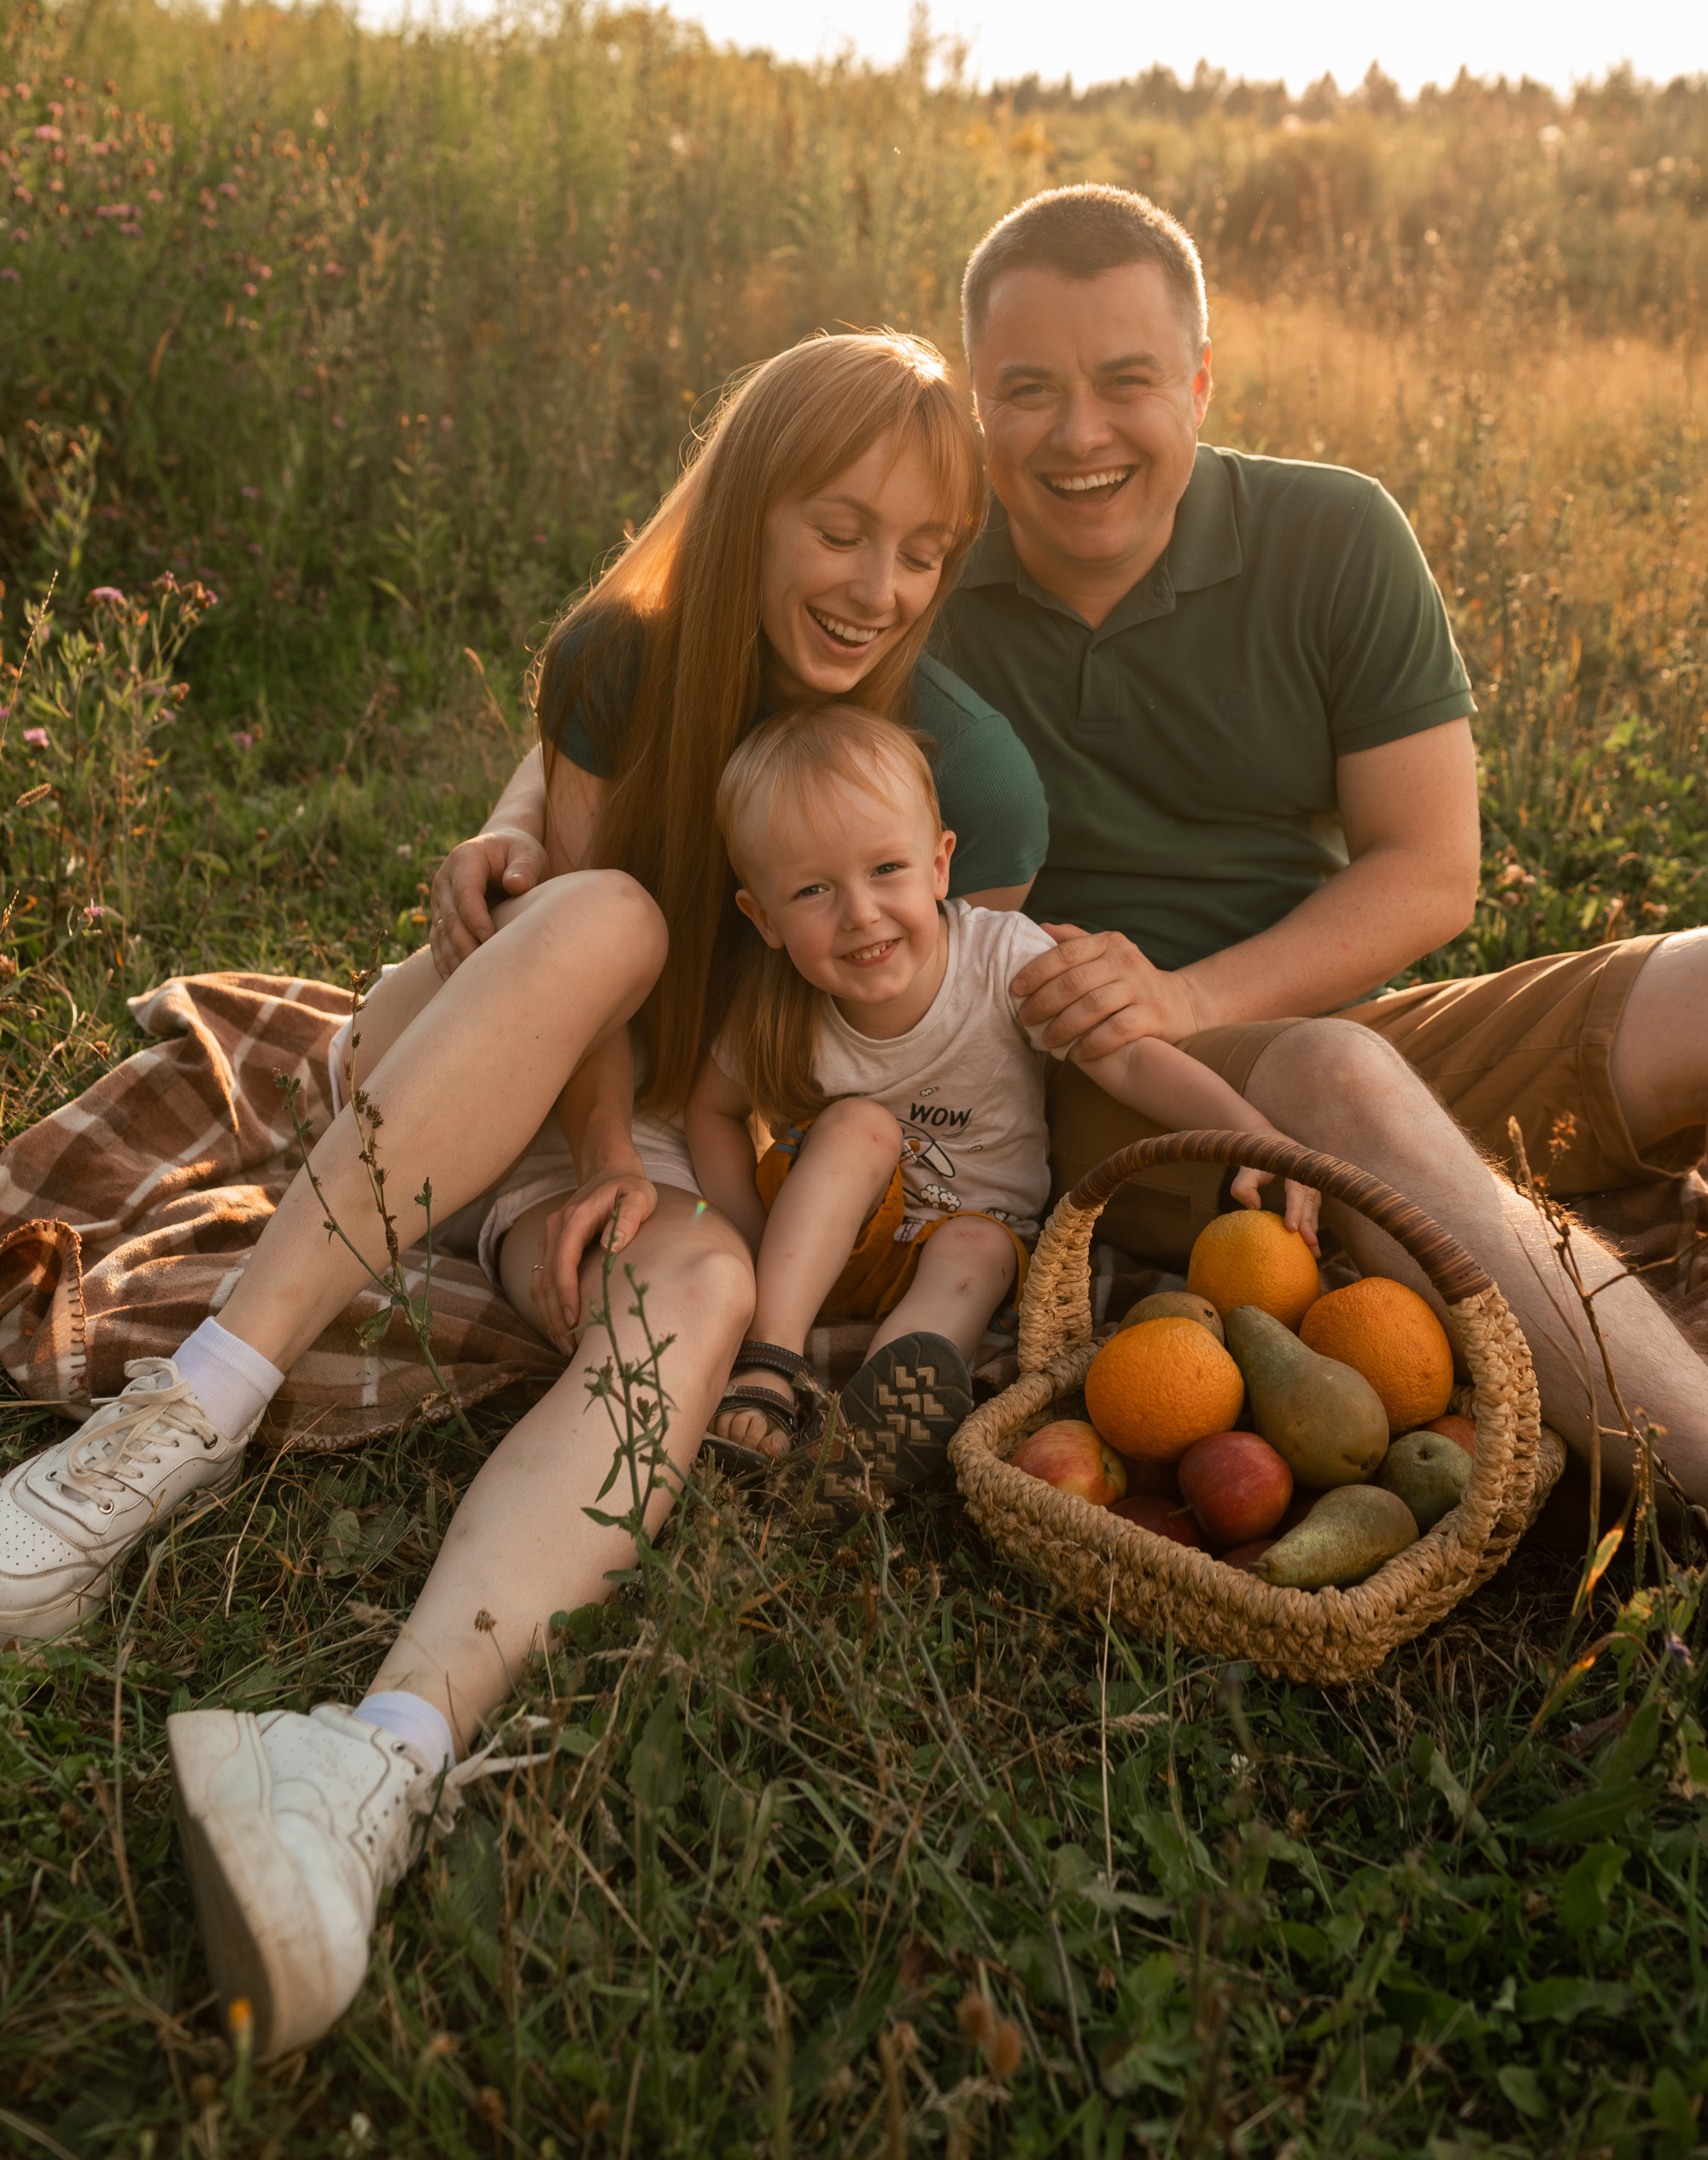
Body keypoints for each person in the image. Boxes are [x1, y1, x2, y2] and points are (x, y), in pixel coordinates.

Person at [0, 328, 1049, 2058]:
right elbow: (575, 921)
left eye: (924, 549)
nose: (880, 586)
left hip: (685, 1130)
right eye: (841, 526)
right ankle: (164, 1434)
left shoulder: (970, 777)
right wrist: (579, 1157)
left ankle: (375, 1757)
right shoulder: (618, 663)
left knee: (703, 1294)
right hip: (500, 1062)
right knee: (614, 915)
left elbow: (930, 1032)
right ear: (748, 506)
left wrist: (694, 1201)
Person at [935, 181, 1708, 1501]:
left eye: (1128, 380)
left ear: (1201, 381)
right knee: (1340, 1078)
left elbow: (1429, 868)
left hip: (1346, 1029)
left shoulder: (1335, 533)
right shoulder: (915, 568)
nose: (1080, 435)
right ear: (974, 400)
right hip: (1117, 1088)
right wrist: (520, 819)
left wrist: (1196, 990)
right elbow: (686, 631)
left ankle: (1467, 1230)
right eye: (1028, 390)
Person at [686, 706, 1319, 1479]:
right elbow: (713, 1111)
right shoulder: (777, 1004)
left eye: (887, 869)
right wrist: (756, 1247)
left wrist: (1253, 1136)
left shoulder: (1002, 961)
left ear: (940, 864)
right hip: (832, 1240)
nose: (861, 913)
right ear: (765, 918)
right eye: (814, 889)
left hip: (969, 1233)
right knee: (860, 1126)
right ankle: (768, 1361)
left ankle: (880, 1422)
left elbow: (1129, 1063)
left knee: (981, 1244)